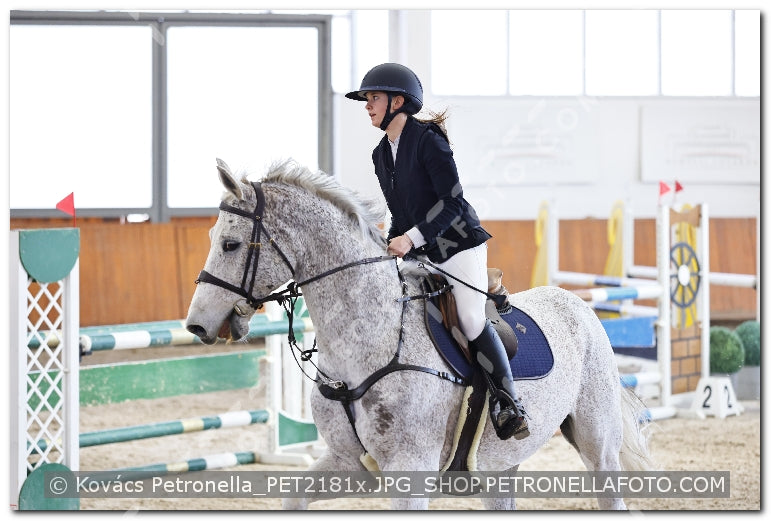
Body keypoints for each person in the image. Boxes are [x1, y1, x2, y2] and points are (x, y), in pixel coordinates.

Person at [346, 63, 530, 441]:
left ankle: (508, 402)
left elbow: (452, 203)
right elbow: (402, 212)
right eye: (366, 99)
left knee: (470, 319)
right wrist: (389, 242)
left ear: (398, 102)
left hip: (456, 241)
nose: (367, 105)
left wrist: (410, 240)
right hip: (422, 248)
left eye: (373, 98)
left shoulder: (428, 140)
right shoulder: (381, 154)